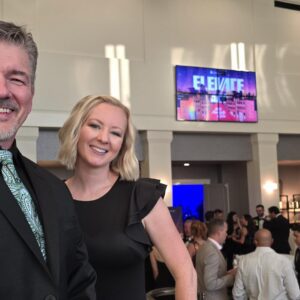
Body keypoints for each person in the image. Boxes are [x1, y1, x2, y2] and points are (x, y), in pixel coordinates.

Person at [58, 95, 197, 300]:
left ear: (123, 145)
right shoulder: (52, 196)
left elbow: (186, 273)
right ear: (76, 129)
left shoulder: (140, 197)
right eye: (95, 126)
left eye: (115, 133)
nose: (104, 138)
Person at [0, 20, 96, 299]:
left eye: (16, 78)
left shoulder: (53, 188)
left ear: (31, 92)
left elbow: (80, 277)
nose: (3, 91)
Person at [232, 229, 300, 300]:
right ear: (272, 241)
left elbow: (237, 294)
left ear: (255, 241)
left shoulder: (243, 262)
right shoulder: (284, 261)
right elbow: (295, 295)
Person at [196, 218, 236, 300]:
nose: (226, 234)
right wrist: (232, 277)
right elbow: (210, 284)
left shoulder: (204, 247)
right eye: (225, 231)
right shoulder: (212, 252)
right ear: (219, 233)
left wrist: (228, 273)